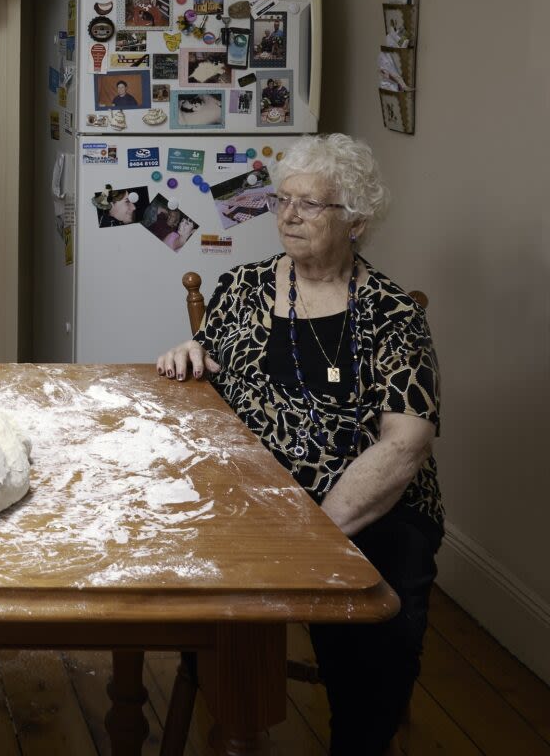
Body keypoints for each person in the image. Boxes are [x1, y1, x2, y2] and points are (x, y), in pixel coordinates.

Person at [155, 133, 442, 755]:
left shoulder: (393, 314)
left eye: (311, 205)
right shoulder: (244, 287)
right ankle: (237, 709)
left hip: (368, 507)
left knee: (381, 631)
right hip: (255, 501)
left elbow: (405, 445)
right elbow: (210, 377)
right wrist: (192, 352)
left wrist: (317, 532)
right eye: (283, 200)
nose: (287, 215)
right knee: (214, 599)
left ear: (356, 220)